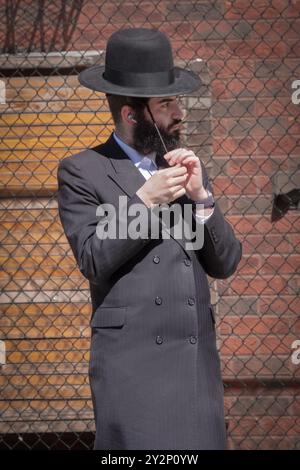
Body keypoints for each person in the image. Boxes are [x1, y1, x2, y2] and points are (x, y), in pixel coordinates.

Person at [57, 27, 242, 450]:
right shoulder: (83, 170)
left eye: (176, 101)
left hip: (195, 369)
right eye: (166, 104)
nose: (179, 113)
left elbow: (226, 262)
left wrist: (202, 199)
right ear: (131, 114)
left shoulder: (184, 168)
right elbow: (92, 256)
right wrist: (145, 200)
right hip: (134, 367)